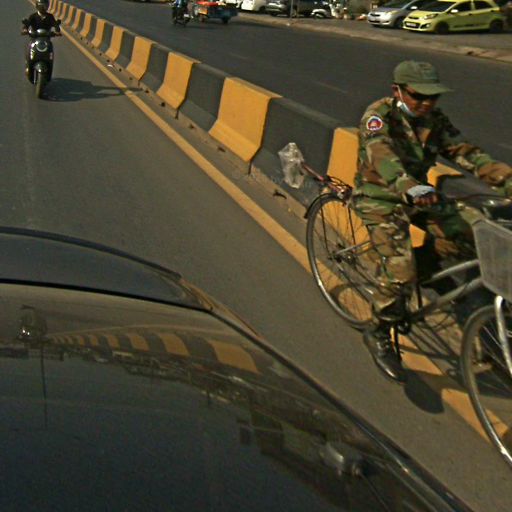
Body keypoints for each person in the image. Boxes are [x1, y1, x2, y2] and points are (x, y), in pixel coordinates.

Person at [353, 60, 512, 383]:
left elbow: (466, 153)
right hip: (380, 198)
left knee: (478, 231)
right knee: (399, 274)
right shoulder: (378, 117)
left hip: (422, 196)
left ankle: (425, 267)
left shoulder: (434, 120)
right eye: (418, 96)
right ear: (397, 90)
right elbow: (382, 155)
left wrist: (506, 180)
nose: (426, 103)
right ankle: (379, 329)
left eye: (432, 97)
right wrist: (407, 185)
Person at [21, 0, 61, 82]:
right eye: (41, 5)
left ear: (47, 6)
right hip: (35, 39)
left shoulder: (50, 17)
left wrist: (57, 30)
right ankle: (28, 65)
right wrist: (25, 30)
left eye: (45, 5)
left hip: (46, 40)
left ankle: (49, 69)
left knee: (50, 54)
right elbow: (26, 25)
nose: (43, 7)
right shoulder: (33, 16)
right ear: (37, 6)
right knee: (29, 49)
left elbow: (56, 26)